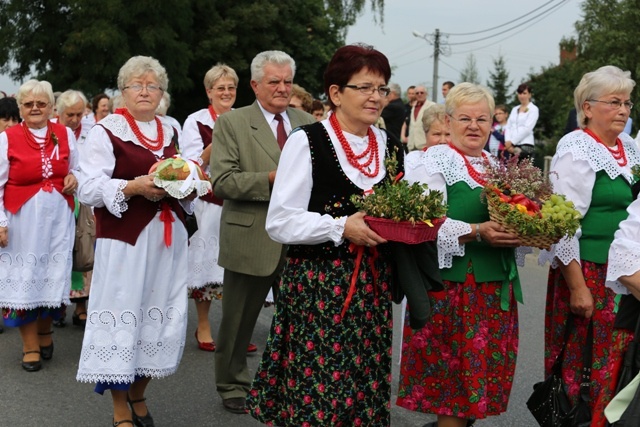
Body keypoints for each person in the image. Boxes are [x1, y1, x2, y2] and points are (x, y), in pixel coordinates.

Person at [247, 42, 399, 427]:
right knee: (316, 390)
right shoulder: (307, 141)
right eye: (364, 87)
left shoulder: (390, 146)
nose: (375, 97)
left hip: (372, 286)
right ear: (335, 93)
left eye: (381, 89)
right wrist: (340, 226)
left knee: (364, 386)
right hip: (319, 287)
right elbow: (279, 221)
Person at [76, 55, 193, 427]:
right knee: (123, 318)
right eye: (136, 85)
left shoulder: (169, 130)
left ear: (162, 93)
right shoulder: (105, 130)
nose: (145, 91)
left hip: (166, 240)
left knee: (158, 318)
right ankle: (119, 406)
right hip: (126, 242)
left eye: (152, 85)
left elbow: (181, 179)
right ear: (123, 91)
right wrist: (134, 186)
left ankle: (139, 392)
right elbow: (89, 188)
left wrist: (189, 183)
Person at [397, 82, 522, 427]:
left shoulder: (495, 164)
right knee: (453, 392)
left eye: (482, 119)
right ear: (449, 121)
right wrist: (479, 231)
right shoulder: (435, 159)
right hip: (452, 289)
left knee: (475, 391)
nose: (474, 126)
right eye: (465, 118)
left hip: (493, 288)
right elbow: (424, 222)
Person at [209, 50, 315, 415]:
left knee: (301, 321)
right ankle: (232, 384)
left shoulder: (307, 123)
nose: (283, 88)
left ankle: (294, 382)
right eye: (274, 81)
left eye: (287, 81)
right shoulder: (232, 123)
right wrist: (274, 179)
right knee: (238, 321)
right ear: (255, 85)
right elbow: (222, 181)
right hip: (251, 236)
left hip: (300, 238)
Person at [538, 65, 640, 425]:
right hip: (589, 274)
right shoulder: (577, 147)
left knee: (621, 363)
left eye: (627, 102)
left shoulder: (629, 147)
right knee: (585, 367)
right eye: (614, 102)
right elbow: (565, 225)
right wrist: (577, 287)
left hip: (626, 274)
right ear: (587, 106)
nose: (624, 110)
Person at [0, 79, 79, 372]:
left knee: (50, 275)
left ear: (51, 107)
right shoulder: (7, 138)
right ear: (20, 107)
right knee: (24, 280)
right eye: (29, 103)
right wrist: (0, 223)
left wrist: (75, 177)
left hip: (57, 221)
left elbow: (79, 167)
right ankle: (30, 344)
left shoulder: (65, 134)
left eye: (41, 103)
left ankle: (46, 331)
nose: (35, 108)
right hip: (22, 222)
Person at [180, 64, 257, 354]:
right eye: (220, 88)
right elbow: (192, 164)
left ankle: (235, 330)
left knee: (238, 268)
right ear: (209, 91)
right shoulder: (195, 121)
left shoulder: (248, 118)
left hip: (241, 200)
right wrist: (220, 134)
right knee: (207, 266)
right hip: (209, 203)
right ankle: (203, 325)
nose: (226, 93)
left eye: (231, 88)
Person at [54, 89, 93, 328]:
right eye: (70, 114)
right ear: (59, 112)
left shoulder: (92, 131)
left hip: (86, 198)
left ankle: (81, 306)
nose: (75, 119)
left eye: (79, 114)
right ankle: (56, 304)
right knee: (59, 252)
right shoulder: (50, 132)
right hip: (60, 198)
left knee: (84, 250)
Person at [504, 83, 539, 161]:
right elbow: (508, 126)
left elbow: (527, 128)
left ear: (530, 95)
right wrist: (507, 141)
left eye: (524, 93)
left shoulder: (533, 109)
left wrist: (512, 142)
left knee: (524, 171)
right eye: (520, 93)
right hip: (511, 146)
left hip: (525, 144)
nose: (522, 96)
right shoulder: (514, 109)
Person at [401, 85, 435, 152]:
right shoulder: (413, 107)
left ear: (426, 94)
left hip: (424, 145)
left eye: (422, 93)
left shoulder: (432, 106)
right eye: (417, 93)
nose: (419, 94)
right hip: (411, 145)